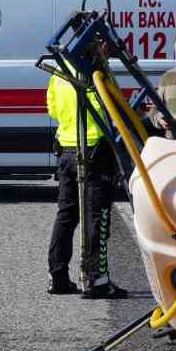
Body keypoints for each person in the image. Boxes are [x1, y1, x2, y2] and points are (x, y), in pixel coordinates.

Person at [46, 73, 128, 299]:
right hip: (95, 150)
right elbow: (112, 109)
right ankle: (97, 281)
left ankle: (58, 278)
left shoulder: (58, 74)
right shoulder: (97, 74)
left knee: (66, 215)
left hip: (66, 148)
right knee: (96, 217)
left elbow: (52, 109)